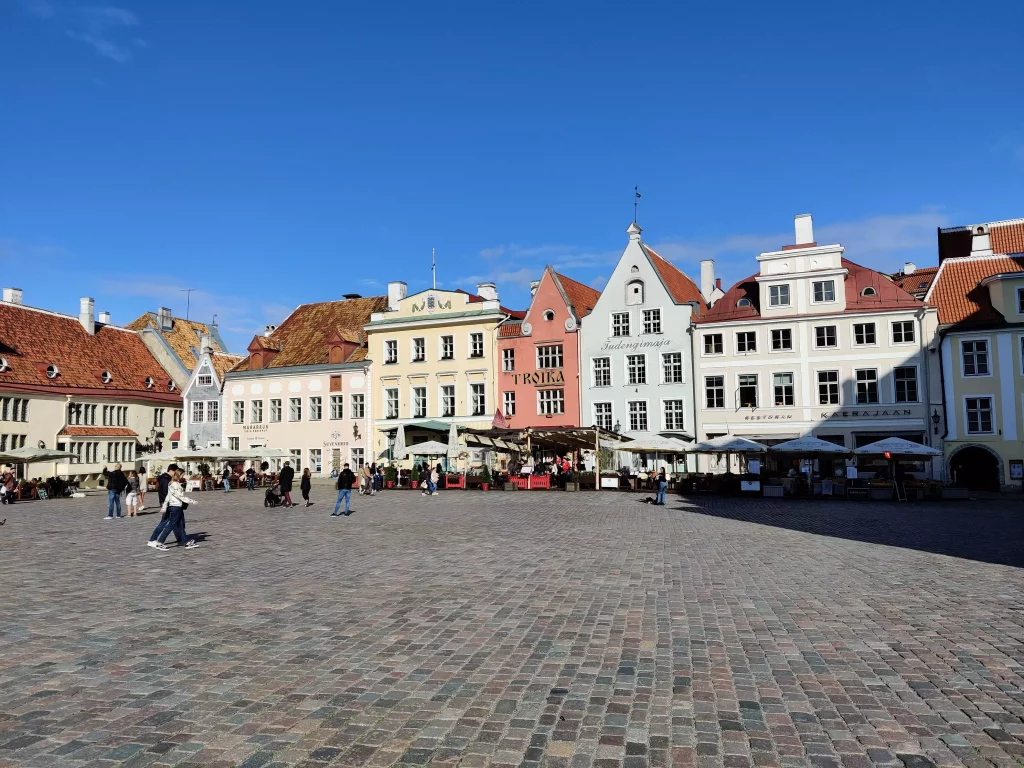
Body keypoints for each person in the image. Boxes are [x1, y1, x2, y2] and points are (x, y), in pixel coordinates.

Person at [152, 470, 199, 550]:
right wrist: (192, 501)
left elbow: (167, 497)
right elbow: (180, 496)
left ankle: (186, 542)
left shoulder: (171, 484)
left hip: (174, 506)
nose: (183, 477)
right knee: (171, 525)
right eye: (182, 475)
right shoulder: (176, 485)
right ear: (179, 475)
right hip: (176, 507)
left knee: (180, 525)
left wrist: (164, 507)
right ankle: (160, 542)